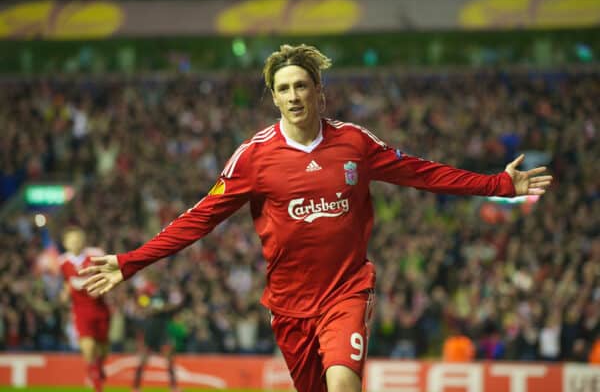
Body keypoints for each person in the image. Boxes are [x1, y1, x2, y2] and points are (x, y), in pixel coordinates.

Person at [80, 44, 552, 392]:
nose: (294, 95)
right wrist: (129, 262)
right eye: (283, 88)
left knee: (343, 385)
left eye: (301, 85)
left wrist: (500, 185)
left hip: (346, 291)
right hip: (288, 307)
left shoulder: (355, 143)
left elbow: (421, 173)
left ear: (318, 92)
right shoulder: (253, 158)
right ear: (273, 98)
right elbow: (199, 218)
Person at [58, 226, 110, 392]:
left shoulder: (95, 254)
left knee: (102, 349)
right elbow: (67, 282)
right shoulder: (63, 262)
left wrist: (101, 285)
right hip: (80, 310)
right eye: (71, 240)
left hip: (100, 309)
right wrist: (65, 294)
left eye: (78, 239)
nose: (75, 242)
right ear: (65, 243)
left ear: (83, 240)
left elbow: (107, 275)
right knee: (88, 348)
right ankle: (96, 385)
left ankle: (98, 368)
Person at [131, 271, 183, 392]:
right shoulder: (145, 291)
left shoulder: (164, 291)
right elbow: (143, 306)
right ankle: (136, 387)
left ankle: (174, 387)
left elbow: (174, 305)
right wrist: (156, 308)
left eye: (156, 276)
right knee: (144, 358)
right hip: (151, 327)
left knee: (169, 358)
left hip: (162, 326)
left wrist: (159, 308)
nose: (155, 278)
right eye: (153, 276)